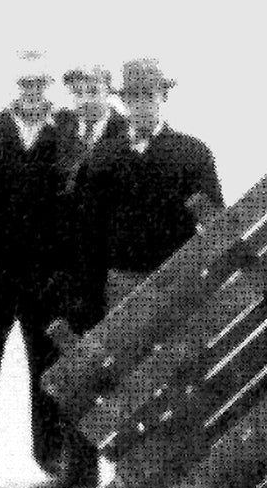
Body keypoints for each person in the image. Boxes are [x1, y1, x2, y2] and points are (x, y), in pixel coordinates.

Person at [0, 50, 85, 488]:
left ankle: (49, 454)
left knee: (45, 362)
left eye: (39, 85)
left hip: (43, 275)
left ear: (48, 89)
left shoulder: (64, 131)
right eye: (25, 85)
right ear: (15, 89)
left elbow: (73, 197)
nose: (32, 93)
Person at [76, 57, 222, 312]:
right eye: (134, 97)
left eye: (149, 95)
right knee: (129, 351)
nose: (142, 105)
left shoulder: (193, 152)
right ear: (124, 101)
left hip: (180, 279)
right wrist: (90, 294)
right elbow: (90, 230)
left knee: (183, 351)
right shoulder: (103, 156)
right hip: (123, 284)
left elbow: (215, 221)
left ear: (163, 96)